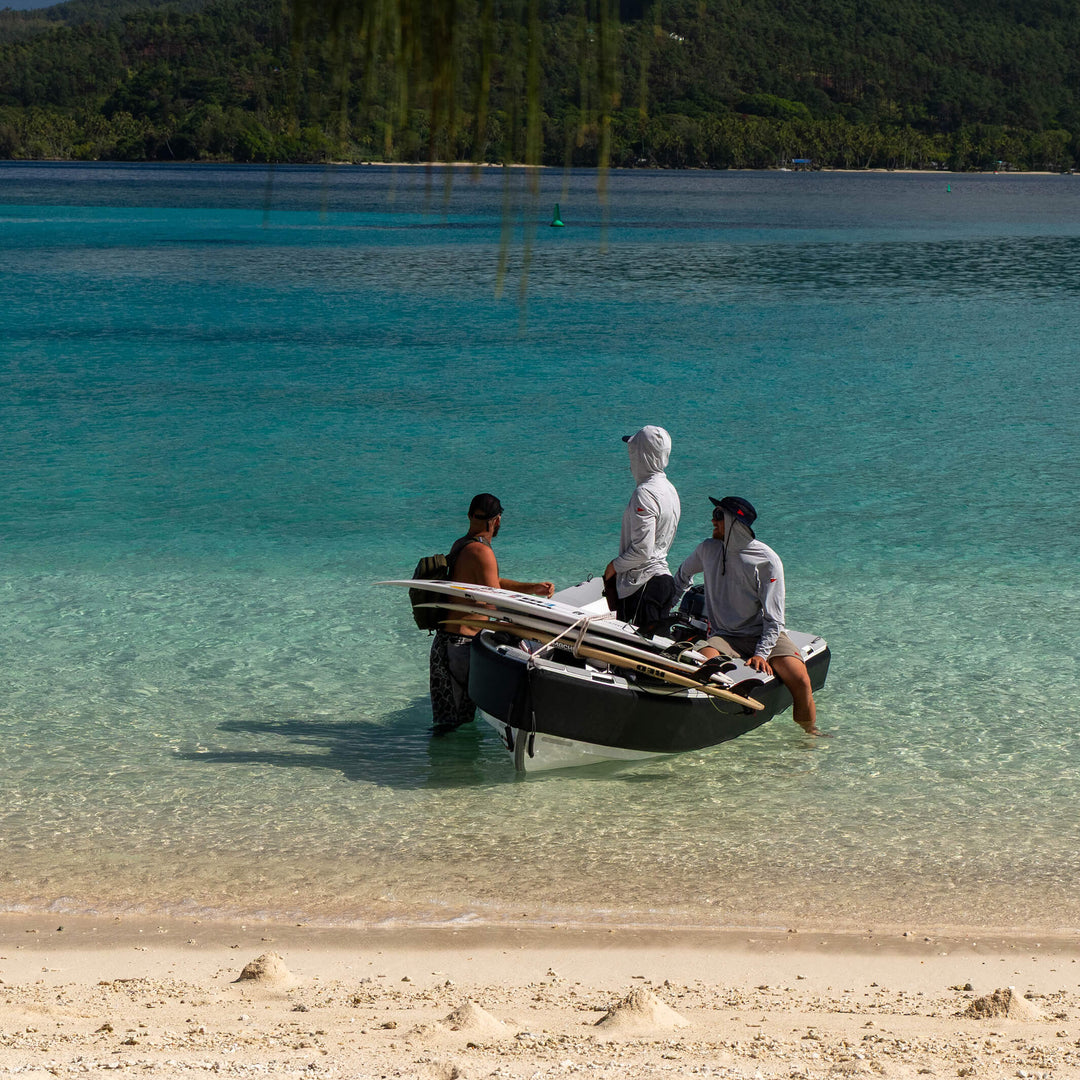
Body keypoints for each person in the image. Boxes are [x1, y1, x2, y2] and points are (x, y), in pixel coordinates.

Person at [672, 495, 825, 736]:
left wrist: (761, 654)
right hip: (724, 636)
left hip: (762, 635)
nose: (713, 520)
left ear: (736, 521)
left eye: (720, 516)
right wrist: (662, 610)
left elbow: (774, 619)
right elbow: (681, 578)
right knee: (703, 665)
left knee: (801, 681)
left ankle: (809, 736)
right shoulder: (707, 550)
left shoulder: (767, 560)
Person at [429, 493, 554, 736]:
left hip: (444, 645)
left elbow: (488, 584)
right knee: (457, 728)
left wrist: (531, 588)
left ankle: (443, 771)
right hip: (460, 649)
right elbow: (494, 601)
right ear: (496, 521)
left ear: (470, 516)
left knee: (449, 726)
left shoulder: (461, 545)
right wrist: (533, 627)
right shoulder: (483, 552)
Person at [603, 425, 681, 636]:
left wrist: (614, 566)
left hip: (643, 584)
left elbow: (643, 551)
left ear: (642, 455)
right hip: (663, 580)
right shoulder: (670, 490)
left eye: (633, 452)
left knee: (635, 655)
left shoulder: (645, 493)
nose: (630, 459)